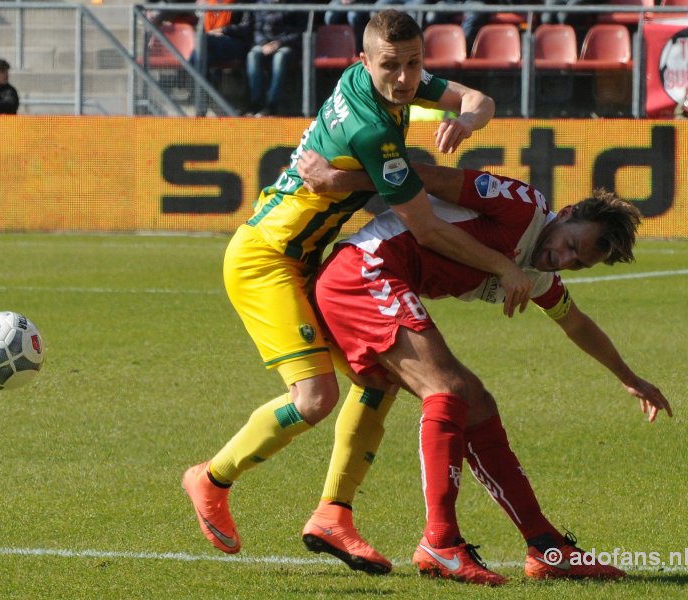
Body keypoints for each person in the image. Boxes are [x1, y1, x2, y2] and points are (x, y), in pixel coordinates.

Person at [181, 9, 535, 564]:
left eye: (414, 64)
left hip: (304, 256)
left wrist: (467, 121)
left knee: (377, 377)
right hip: (265, 259)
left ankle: (333, 516)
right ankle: (212, 479)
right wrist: (504, 267)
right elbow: (425, 228)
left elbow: (477, 99)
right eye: (391, 66)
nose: (404, 78)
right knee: (315, 398)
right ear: (363, 61)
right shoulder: (371, 126)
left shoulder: (383, 80)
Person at [298, 158, 672, 584]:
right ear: (566, 214)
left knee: (476, 403)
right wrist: (342, 180)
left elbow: (576, 323)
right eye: (570, 245)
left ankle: (547, 547)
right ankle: (440, 542)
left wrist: (629, 377)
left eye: (577, 263)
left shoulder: (538, 272)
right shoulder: (523, 205)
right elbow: (432, 177)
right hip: (366, 270)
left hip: (383, 281)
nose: (563, 260)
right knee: (450, 390)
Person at [245, 0, 307, 116]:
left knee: (280, 57)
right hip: (264, 45)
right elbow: (256, 30)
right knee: (252, 55)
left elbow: (300, 32)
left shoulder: (296, 4)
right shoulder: (261, 5)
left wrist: (279, 43)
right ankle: (256, 103)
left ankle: (272, 104)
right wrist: (263, 43)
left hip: (288, 46)